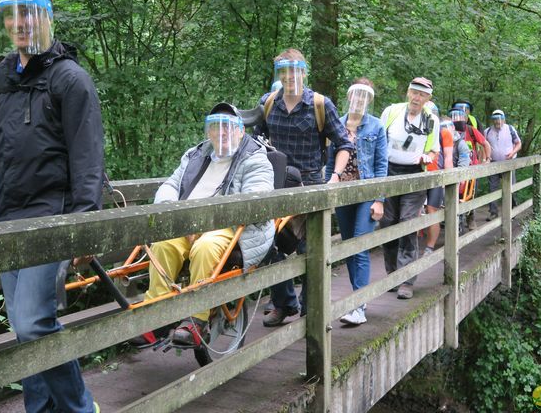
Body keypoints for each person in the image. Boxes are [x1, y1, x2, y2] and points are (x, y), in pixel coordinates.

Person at [0, 0, 103, 413]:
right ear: (5, 22)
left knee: (33, 321)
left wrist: (84, 228)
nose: (20, 23)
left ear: (45, 17)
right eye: (12, 14)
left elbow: (87, 159)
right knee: (24, 328)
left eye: (29, 13)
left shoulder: (70, 79)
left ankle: (80, 408)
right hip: (7, 217)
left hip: (52, 217)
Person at [137, 103, 275, 346]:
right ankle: (158, 318)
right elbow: (170, 185)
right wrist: (172, 214)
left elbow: (257, 201)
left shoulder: (255, 158)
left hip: (231, 227)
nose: (221, 133)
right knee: (163, 244)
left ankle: (196, 319)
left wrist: (204, 225)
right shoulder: (195, 154)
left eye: (228, 128)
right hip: (185, 222)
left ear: (240, 131)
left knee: (206, 247)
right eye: (215, 128)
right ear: (208, 132)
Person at [255, 48, 353, 326]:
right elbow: (256, 143)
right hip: (275, 186)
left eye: (294, 70)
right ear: (279, 74)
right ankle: (285, 304)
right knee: (267, 246)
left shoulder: (321, 104)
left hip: (311, 186)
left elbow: (344, 143)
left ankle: (312, 309)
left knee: (310, 251)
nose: (289, 76)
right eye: (283, 71)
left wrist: (334, 177)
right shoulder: (268, 103)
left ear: (303, 72)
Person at [324, 78, 387, 325]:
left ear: (369, 100)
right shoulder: (336, 125)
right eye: (356, 96)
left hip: (366, 192)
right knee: (349, 248)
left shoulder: (376, 126)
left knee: (360, 246)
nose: (359, 101)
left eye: (364, 97)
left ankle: (358, 306)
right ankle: (356, 301)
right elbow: (331, 163)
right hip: (343, 195)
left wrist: (379, 199)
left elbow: (382, 165)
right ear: (349, 97)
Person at [379, 77, 440, 300]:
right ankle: (392, 274)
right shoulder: (392, 111)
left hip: (415, 175)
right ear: (408, 92)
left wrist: (427, 156)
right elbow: (378, 139)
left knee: (407, 223)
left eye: (422, 95)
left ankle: (406, 280)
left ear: (428, 98)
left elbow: (434, 151)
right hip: (388, 172)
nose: (417, 97)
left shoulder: (431, 120)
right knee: (387, 223)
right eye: (414, 92)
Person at [449, 107, 492, 229]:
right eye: (454, 116)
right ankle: (453, 223)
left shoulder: (471, 130)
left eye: (460, 116)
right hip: (452, 168)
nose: (457, 119)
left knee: (470, 195)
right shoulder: (447, 129)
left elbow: (485, 144)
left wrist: (487, 160)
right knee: (455, 196)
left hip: (471, 169)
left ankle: (470, 218)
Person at [422, 103, 452, 257]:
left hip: (435, 177)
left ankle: (429, 247)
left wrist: (448, 178)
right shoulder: (415, 129)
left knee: (432, 210)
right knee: (412, 212)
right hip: (417, 175)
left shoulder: (444, 133)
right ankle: (410, 246)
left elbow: (448, 157)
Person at [484, 109, 522, 220]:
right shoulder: (487, 131)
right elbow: (483, 146)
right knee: (492, 188)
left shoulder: (510, 129)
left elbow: (518, 143)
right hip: (493, 164)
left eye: (500, 119)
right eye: (495, 120)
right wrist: (486, 158)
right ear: (492, 120)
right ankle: (493, 212)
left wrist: (513, 152)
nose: (498, 122)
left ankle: (512, 210)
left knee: (511, 187)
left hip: (508, 163)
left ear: (504, 119)